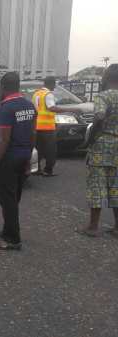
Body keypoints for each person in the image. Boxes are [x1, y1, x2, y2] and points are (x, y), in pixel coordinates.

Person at [0, 72, 37, 251]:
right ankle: (7, 230)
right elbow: (32, 135)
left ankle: (13, 239)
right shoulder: (29, 106)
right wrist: (28, 160)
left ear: (2, 87)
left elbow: (4, 140)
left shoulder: (6, 109)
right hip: (23, 155)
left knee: (7, 199)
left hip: (10, 158)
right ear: (18, 86)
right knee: (14, 197)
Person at [79, 64, 118, 237]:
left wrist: (91, 138)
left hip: (102, 144)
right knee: (115, 185)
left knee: (97, 184)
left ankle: (93, 227)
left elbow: (99, 116)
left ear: (107, 78)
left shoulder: (103, 96)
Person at [32, 76, 76, 176]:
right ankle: (48, 170)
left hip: (37, 126)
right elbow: (52, 107)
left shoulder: (36, 94)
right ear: (51, 84)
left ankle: (37, 169)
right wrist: (67, 109)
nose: (55, 86)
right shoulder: (48, 94)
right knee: (51, 150)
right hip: (47, 127)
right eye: (54, 84)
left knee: (39, 148)